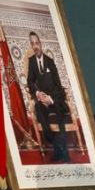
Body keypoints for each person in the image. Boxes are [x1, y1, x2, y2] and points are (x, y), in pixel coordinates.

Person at [26, 31, 71, 163]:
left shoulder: (50, 62)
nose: (35, 46)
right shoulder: (32, 61)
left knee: (59, 110)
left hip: (54, 98)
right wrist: (38, 93)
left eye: (37, 43)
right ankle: (51, 138)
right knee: (38, 107)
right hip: (42, 98)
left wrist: (50, 99)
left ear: (41, 44)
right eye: (32, 44)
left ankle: (63, 152)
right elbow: (30, 81)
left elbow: (58, 85)